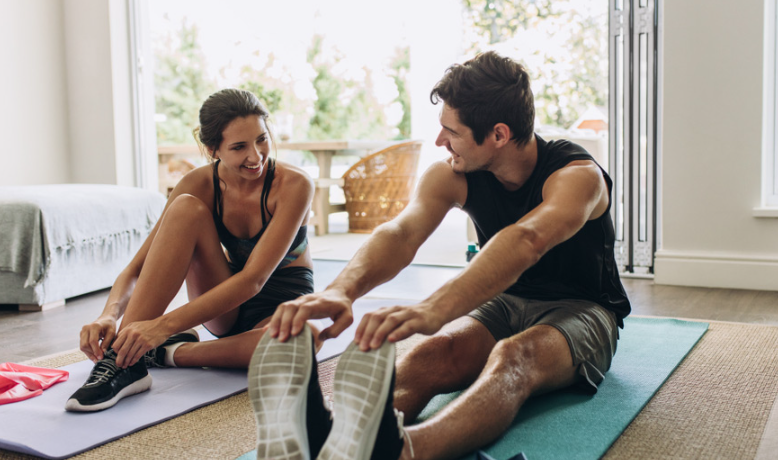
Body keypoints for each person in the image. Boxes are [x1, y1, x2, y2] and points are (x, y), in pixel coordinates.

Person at [247, 51, 631, 460]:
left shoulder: (578, 177)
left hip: (584, 310)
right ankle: (338, 437)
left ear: (498, 135)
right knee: (432, 352)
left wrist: (433, 309)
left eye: (452, 131)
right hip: (505, 302)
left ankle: (402, 451)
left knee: (513, 357)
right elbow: (401, 233)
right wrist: (342, 291)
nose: (439, 141)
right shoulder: (453, 174)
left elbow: (526, 240)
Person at [66, 88, 318, 412]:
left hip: (281, 305)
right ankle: (122, 361)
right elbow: (137, 268)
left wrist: (161, 329)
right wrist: (109, 315)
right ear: (213, 149)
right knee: (185, 208)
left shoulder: (295, 185)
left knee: (301, 342)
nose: (256, 156)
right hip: (223, 301)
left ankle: (165, 353)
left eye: (262, 139)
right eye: (239, 147)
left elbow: (254, 280)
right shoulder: (199, 184)